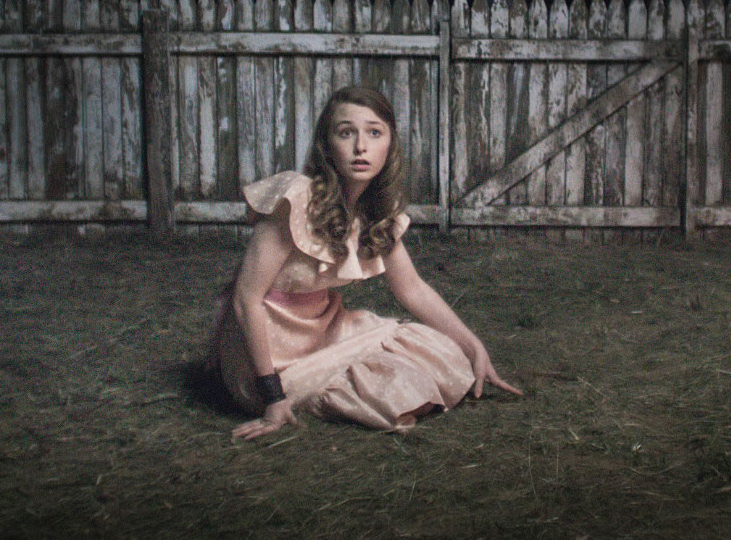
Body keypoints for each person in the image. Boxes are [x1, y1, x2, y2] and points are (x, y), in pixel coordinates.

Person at [206, 85, 520, 438]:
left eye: (374, 132)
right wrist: (273, 397)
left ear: (390, 144)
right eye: (346, 133)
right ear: (327, 145)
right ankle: (298, 388)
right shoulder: (295, 197)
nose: (361, 147)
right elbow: (245, 299)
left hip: (322, 330)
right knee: (390, 393)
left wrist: (473, 344)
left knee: (441, 352)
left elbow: (413, 289)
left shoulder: (375, 212)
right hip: (263, 353)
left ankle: (354, 370)